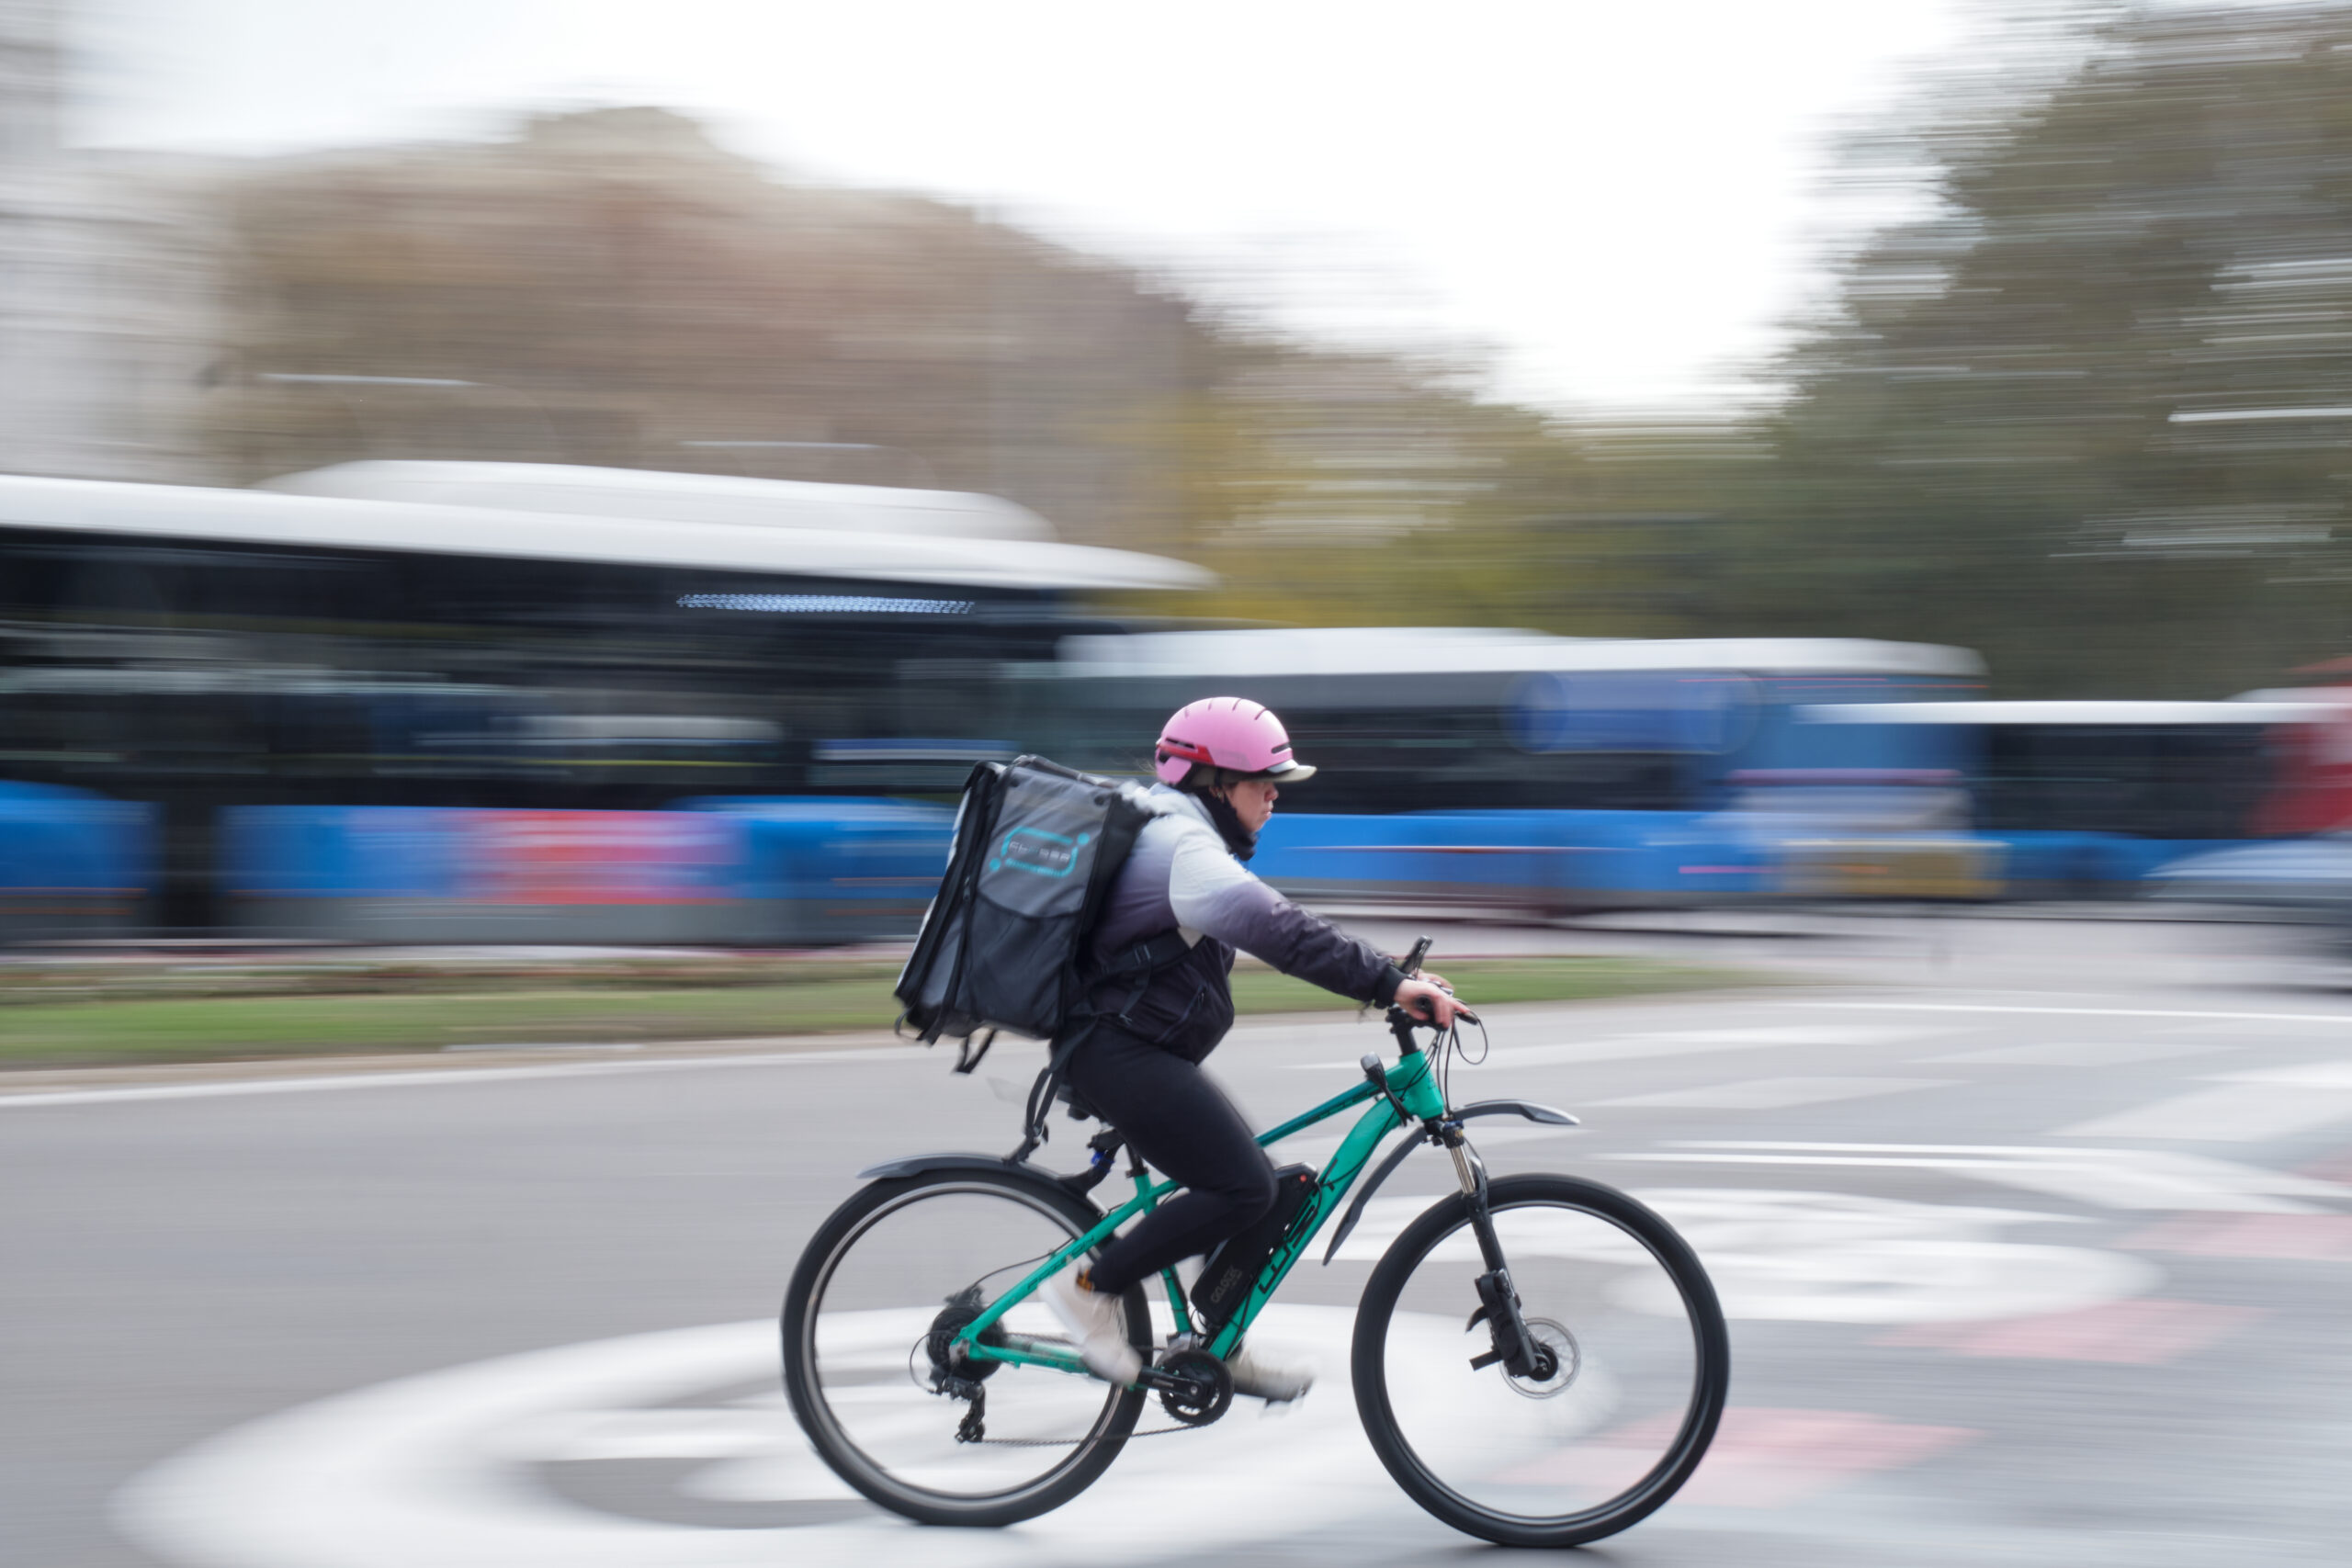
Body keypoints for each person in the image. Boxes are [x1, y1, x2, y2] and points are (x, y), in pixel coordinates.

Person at [1041, 696, 1468, 1401]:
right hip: (1116, 1050)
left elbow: (1280, 924)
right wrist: (1390, 982)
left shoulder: (1178, 834)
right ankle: (1089, 1283)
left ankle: (1217, 1340)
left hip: (1135, 1047)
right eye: (1260, 781)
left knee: (1264, 1195)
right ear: (1211, 783)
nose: (1274, 795)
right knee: (1241, 1186)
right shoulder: (1180, 848)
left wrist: (1392, 977)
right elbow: (1283, 932)